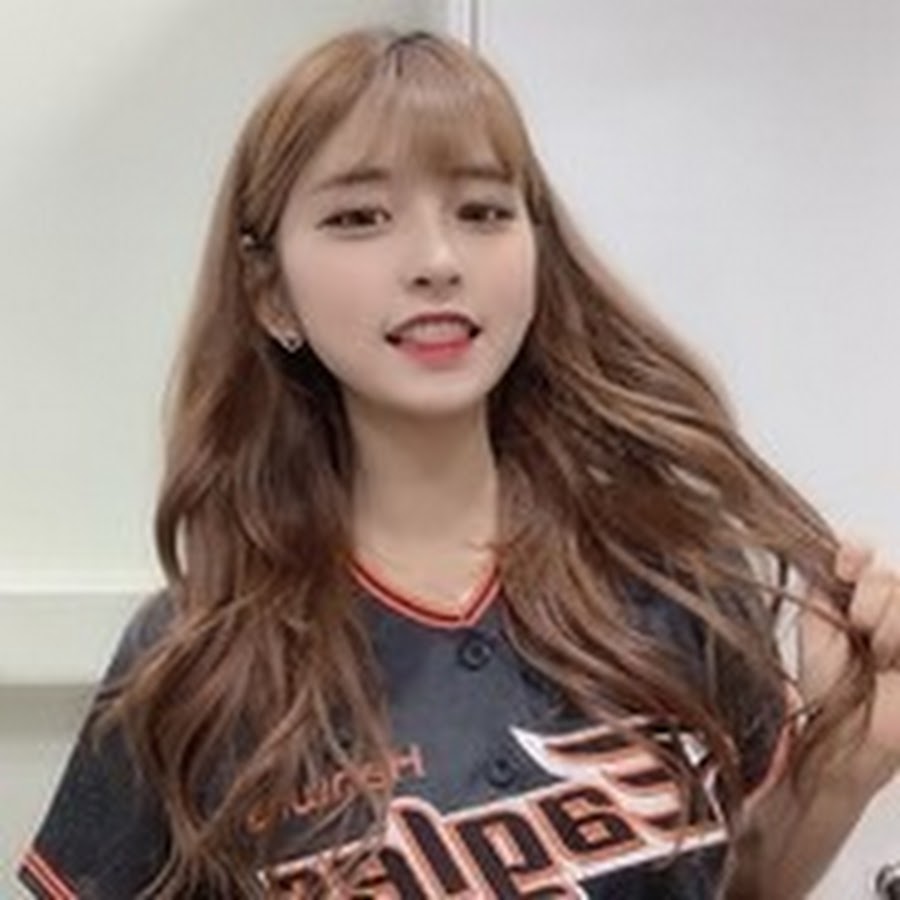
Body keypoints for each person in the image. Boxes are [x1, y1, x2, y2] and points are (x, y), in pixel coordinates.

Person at [17, 26, 900, 900]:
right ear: (270, 291)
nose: (438, 262)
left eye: (482, 211)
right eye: (359, 218)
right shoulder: (197, 659)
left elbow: (733, 881)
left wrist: (844, 770)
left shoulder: (678, 577)